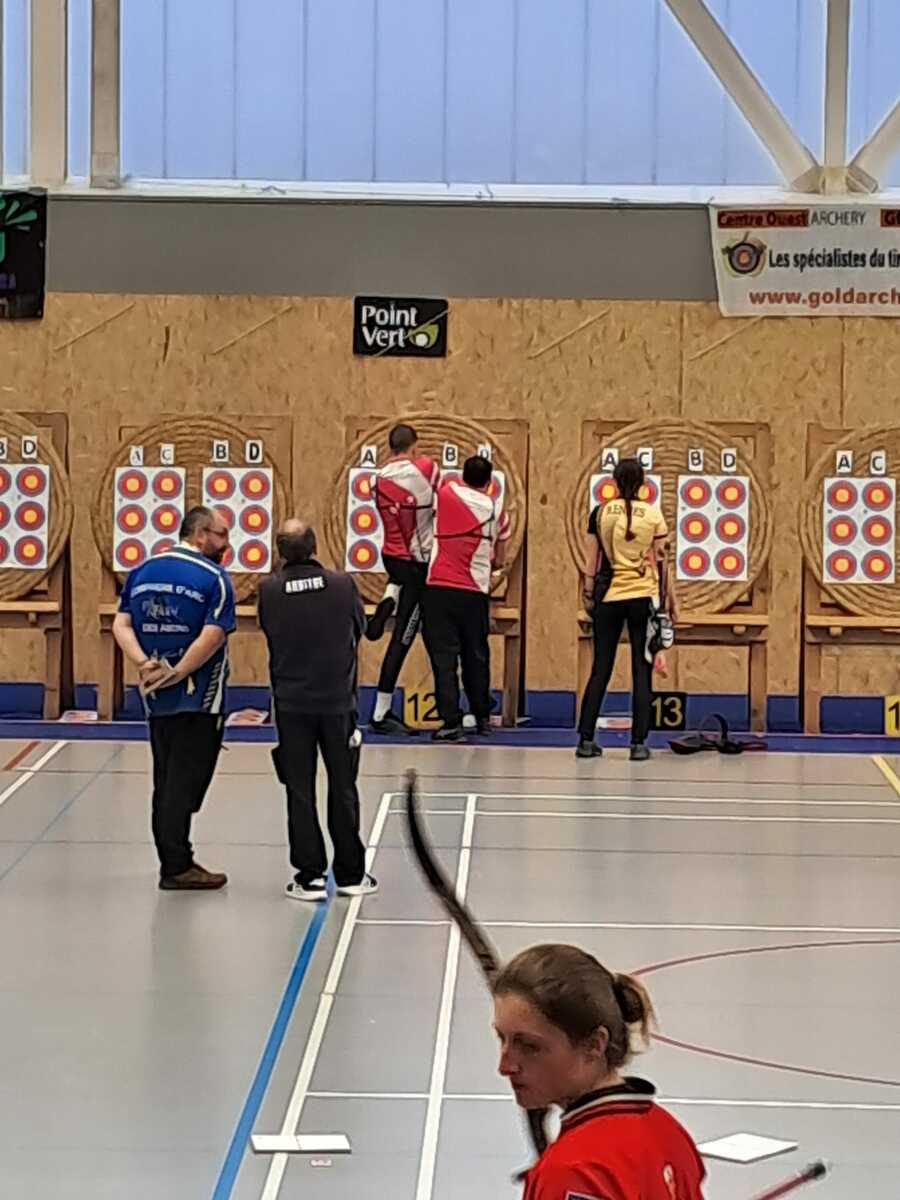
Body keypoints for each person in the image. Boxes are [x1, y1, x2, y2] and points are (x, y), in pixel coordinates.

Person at [493, 944, 706, 1200]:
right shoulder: (667, 1132)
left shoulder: (572, 1172)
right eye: (501, 1038)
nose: (505, 1066)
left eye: (529, 1046)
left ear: (594, 1045)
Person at [112, 505, 235, 890]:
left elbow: (121, 623)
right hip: (199, 699)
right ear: (199, 535)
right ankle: (177, 865)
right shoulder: (214, 577)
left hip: (156, 698)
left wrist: (144, 664)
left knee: (166, 778)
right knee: (186, 782)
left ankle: (175, 858)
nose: (226, 543)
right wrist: (178, 673)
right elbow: (213, 635)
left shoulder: (142, 571)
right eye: (221, 534)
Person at [257, 519, 377, 902]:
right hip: (338, 702)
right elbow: (359, 628)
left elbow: (270, 630)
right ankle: (351, 874)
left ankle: (309, 876)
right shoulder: (342, 585)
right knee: (343, 786)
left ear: (280, 552)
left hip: (291, 704)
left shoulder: (269, 590)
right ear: (314, 547)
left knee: (299, 790)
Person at [577, 458, 672, 762]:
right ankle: (639, 744)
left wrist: (588, 592)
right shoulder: (654, 514)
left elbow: (591, 561)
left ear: (614, 482)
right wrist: (669, 601)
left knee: (601, 668)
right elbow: (662, 563)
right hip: (643, 596)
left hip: (608, 595)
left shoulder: (600, 513)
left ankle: (586, 739)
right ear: (643, 483)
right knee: (642, 669)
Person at [422, 454, 509, 742]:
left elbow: (426, 471)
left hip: (439, 588)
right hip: (475, 592)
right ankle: (482, 718)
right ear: (489, 482)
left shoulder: (446, 493)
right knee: (476, 655)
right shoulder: (497, 511)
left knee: (444, 659)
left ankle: (451, 722)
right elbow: (500, 559)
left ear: (463, 476)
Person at [369, 423, 440, 735]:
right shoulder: (424, 469)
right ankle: (380, 711)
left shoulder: (377, 478)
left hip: (391, 556)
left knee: (398, 583)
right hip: (417, 563)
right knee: (403, 637)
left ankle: (390, 594)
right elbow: (444, 499)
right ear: (414, 445)